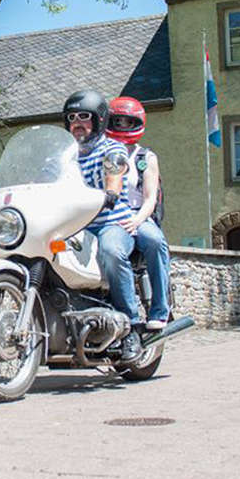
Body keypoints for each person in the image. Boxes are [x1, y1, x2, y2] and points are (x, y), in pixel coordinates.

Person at [63, 90, 144, 355]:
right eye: (72, 118)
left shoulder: (112, 148)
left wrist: (110, 190)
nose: (77, 123)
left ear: (98, 120)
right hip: (76, 226)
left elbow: (114, 172)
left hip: (111, 223)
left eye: (84, 117)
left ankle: (131, 327)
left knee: (111, 251)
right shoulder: (64, 156)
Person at [105, 96, 171, 331]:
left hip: (138, 214)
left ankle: (161, 309)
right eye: (117, 121)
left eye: (127, 122)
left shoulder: (145, 157)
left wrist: (137, 220)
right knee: (112, 252)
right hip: (111, 218)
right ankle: (123, 311)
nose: (122, 126)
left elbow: (150, 197)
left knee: (154, 241)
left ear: (138, 123)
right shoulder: (101, 153)